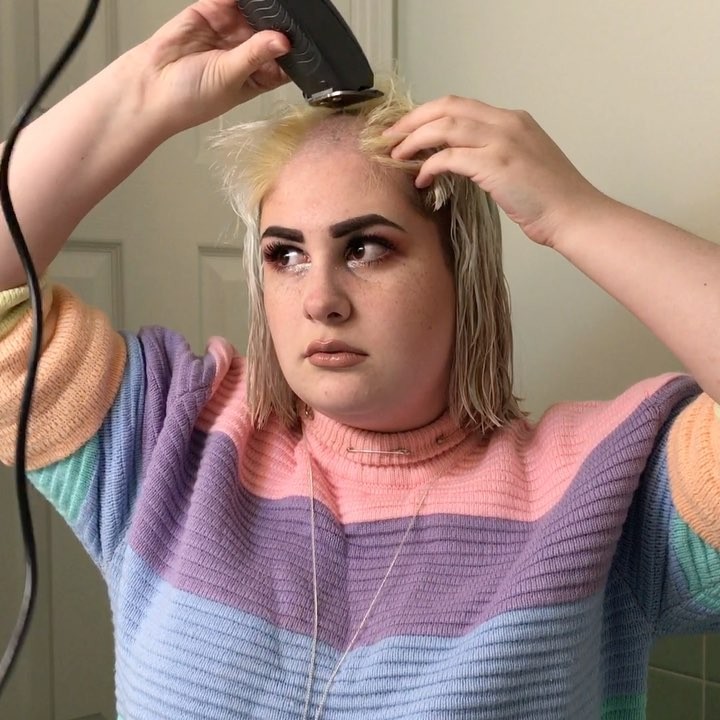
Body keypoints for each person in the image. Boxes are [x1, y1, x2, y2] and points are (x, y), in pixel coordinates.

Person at [1, 1, 718, 718]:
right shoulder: (171, 439)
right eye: (285, 255)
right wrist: (140, 95)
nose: (320, 300)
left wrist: (574, 213)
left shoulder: (600, 489)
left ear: (460, 271)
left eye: (366, 248)